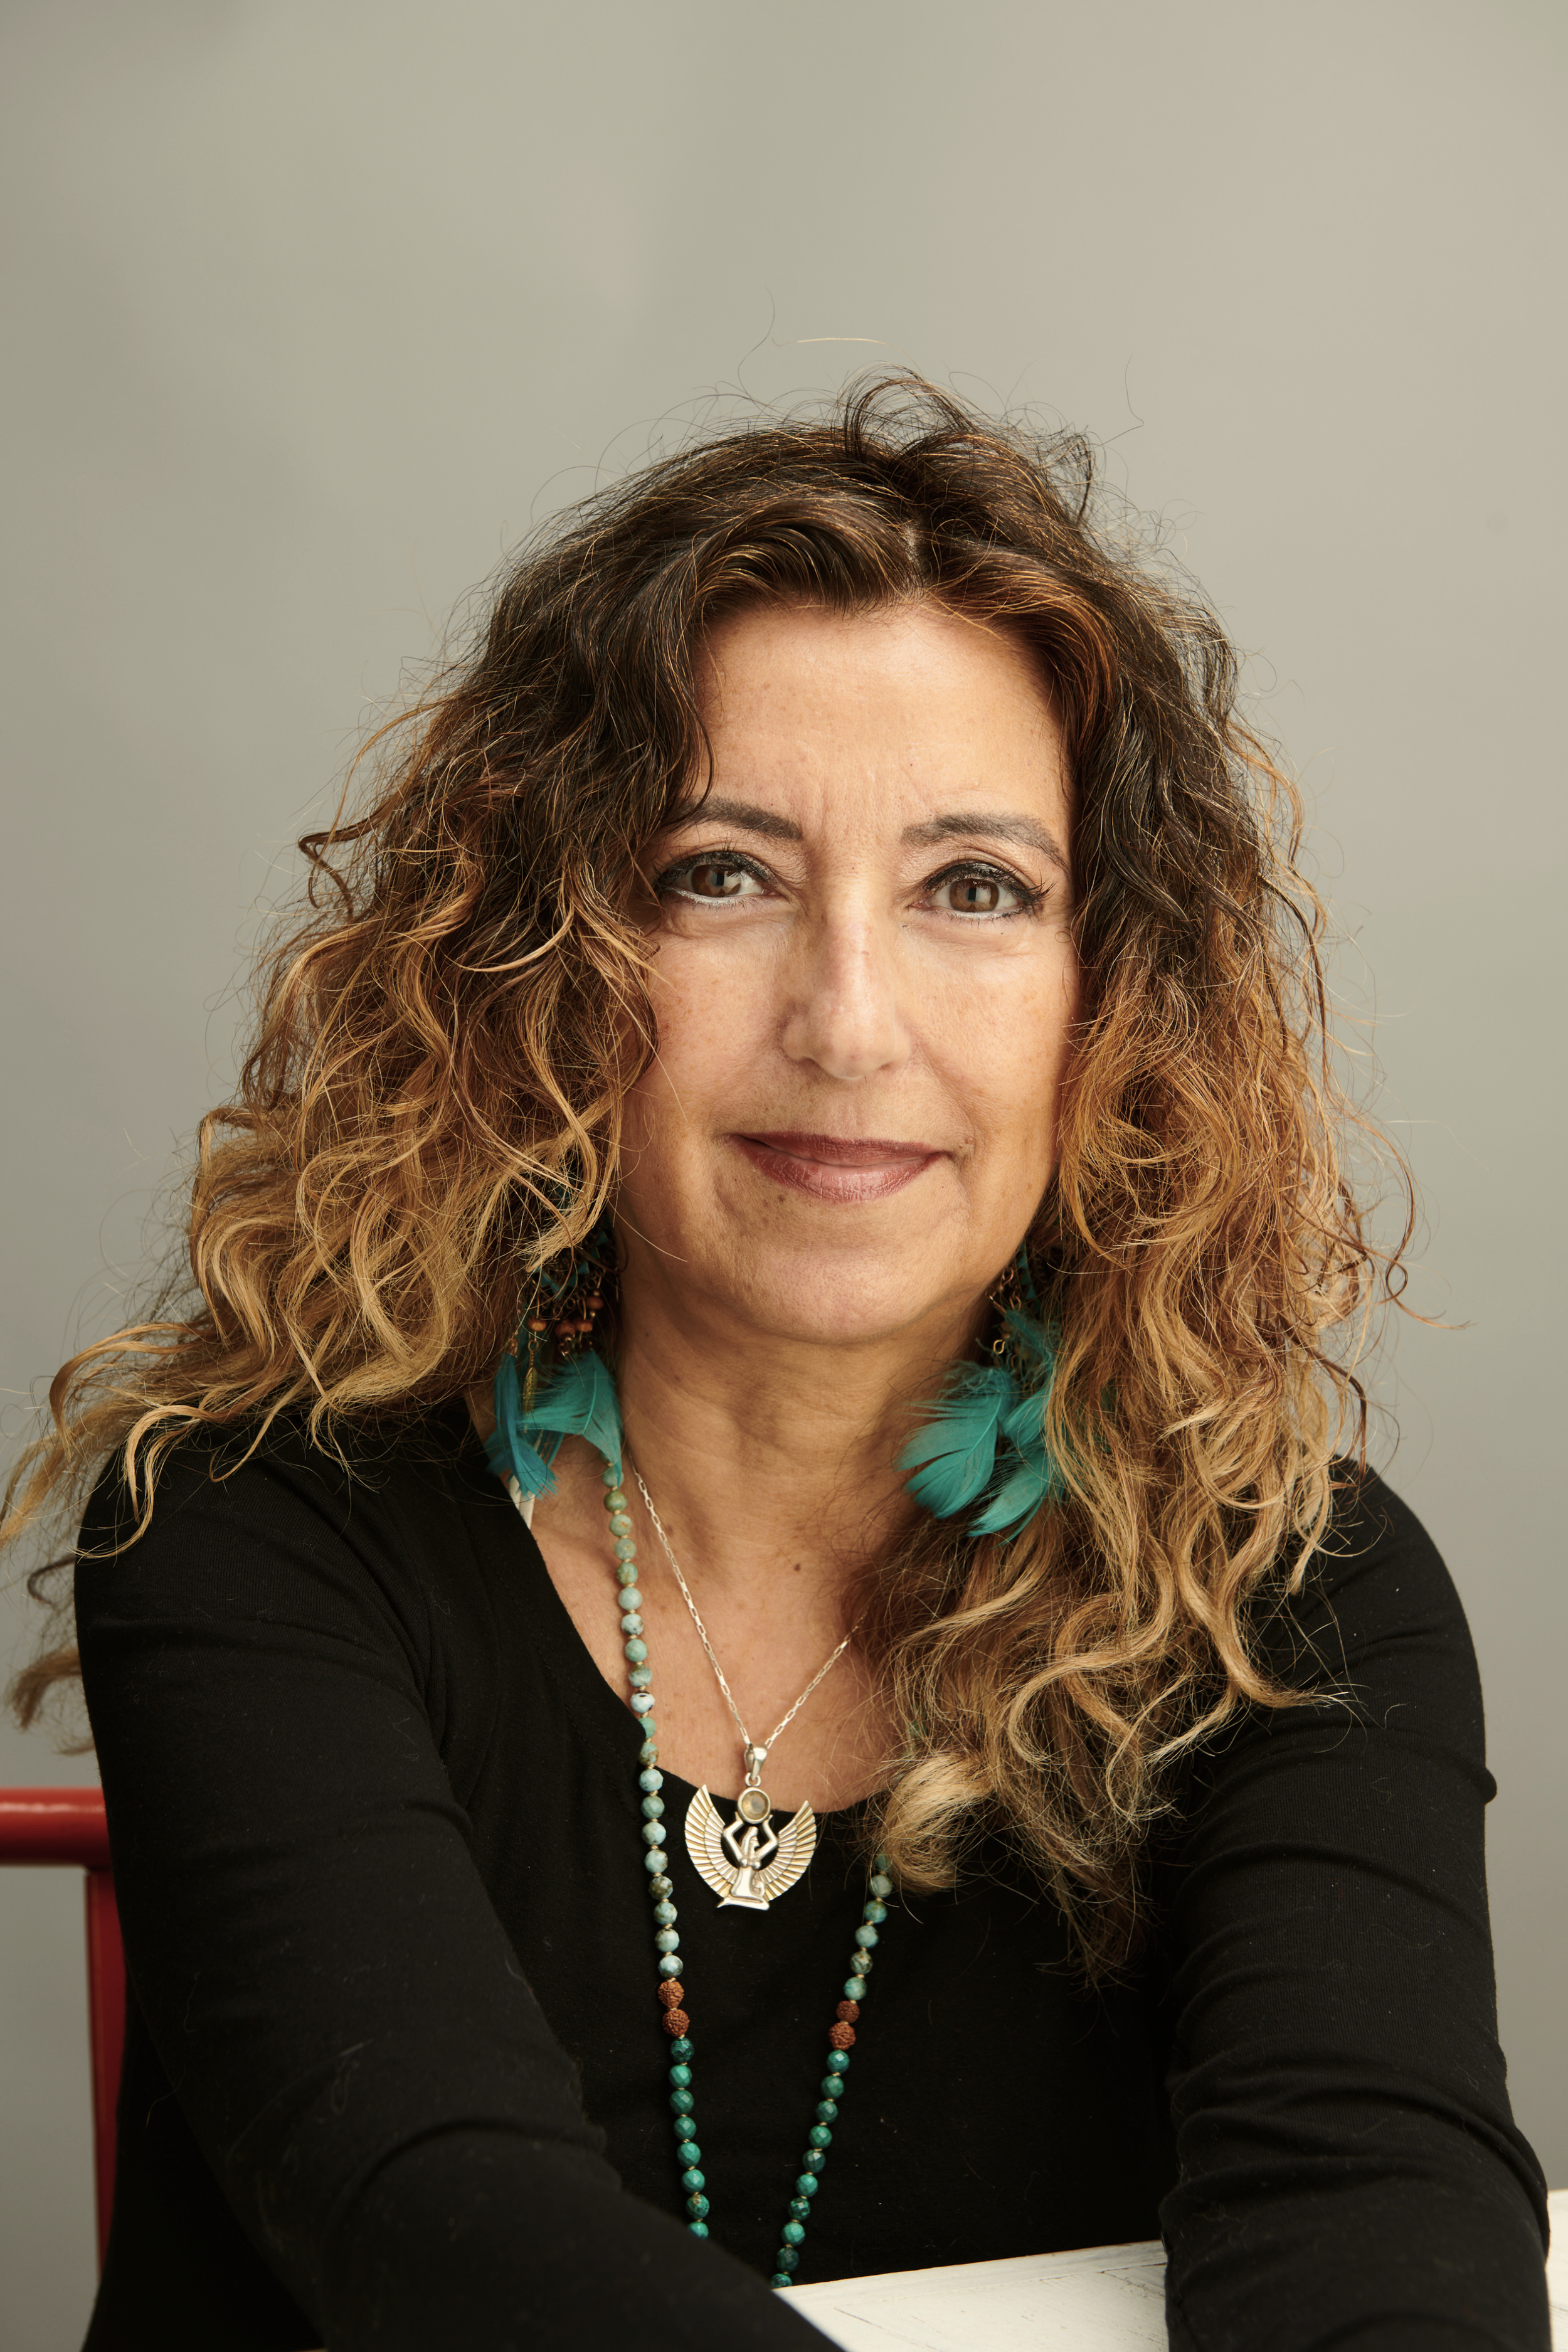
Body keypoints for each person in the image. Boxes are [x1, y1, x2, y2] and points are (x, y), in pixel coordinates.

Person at [5, 377, 1550, 2351]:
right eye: (716, 873)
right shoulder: (255, 1519)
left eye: (973, 887)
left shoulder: (1289, 1585)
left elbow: (1371, 2206)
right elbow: (437, 2220)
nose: (847, 1018)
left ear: (1114, 999)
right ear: (545, 953)